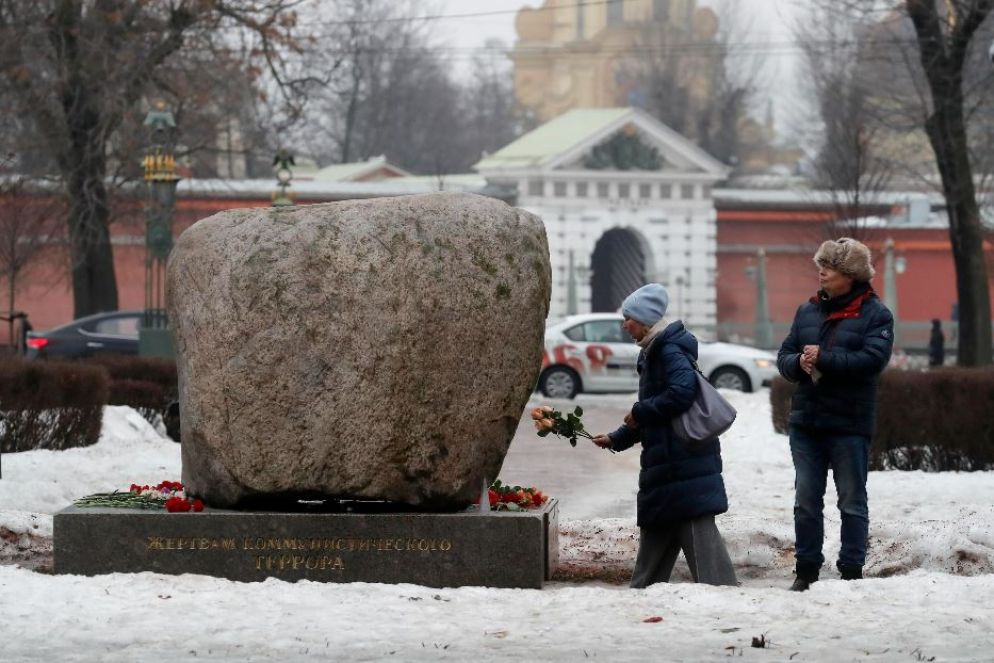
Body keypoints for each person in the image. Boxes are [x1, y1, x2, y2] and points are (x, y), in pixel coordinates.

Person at [590, 283, 737, 588]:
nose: (624, 324)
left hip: (684, 459)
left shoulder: (667, 350)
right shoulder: (654, 350)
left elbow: (682, 393)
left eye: (628, 317)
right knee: (661, 522)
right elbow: (657, 412)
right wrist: (618, 438)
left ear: (643, 320)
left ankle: (719, 592)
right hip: (671, 460)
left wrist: (641, 411)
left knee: (694, 526)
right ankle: (644, 590)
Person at [777, 238, 893, 591]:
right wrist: (798, 362)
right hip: (807, 423)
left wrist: (824, 359)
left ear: (851, 275)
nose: (822, 272)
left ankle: (852, 570)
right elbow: (784, 355)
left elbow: (873, 361)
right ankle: (806, 569)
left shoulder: (876, 314)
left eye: (830, 267)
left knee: (851, 502)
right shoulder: (807, 311)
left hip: (849, 424)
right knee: (806, 501)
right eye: (821, 266)